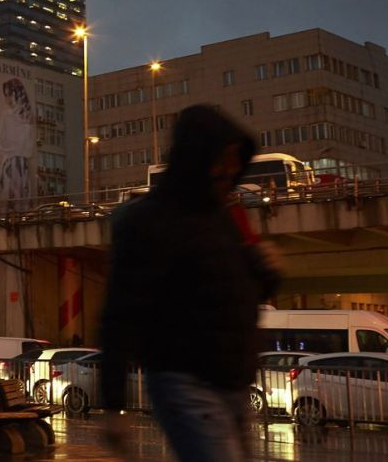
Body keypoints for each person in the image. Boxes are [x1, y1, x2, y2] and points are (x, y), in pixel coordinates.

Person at [100, 105, 281, 462]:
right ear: (199, 157)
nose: (231, 169)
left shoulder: (224, 215)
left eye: (236, 159)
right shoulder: (148, 221)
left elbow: (243, 293)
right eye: (224, 158)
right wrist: (113, 404)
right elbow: (119, 314)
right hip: (185, 381)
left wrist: (267, 271)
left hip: (234, 383)